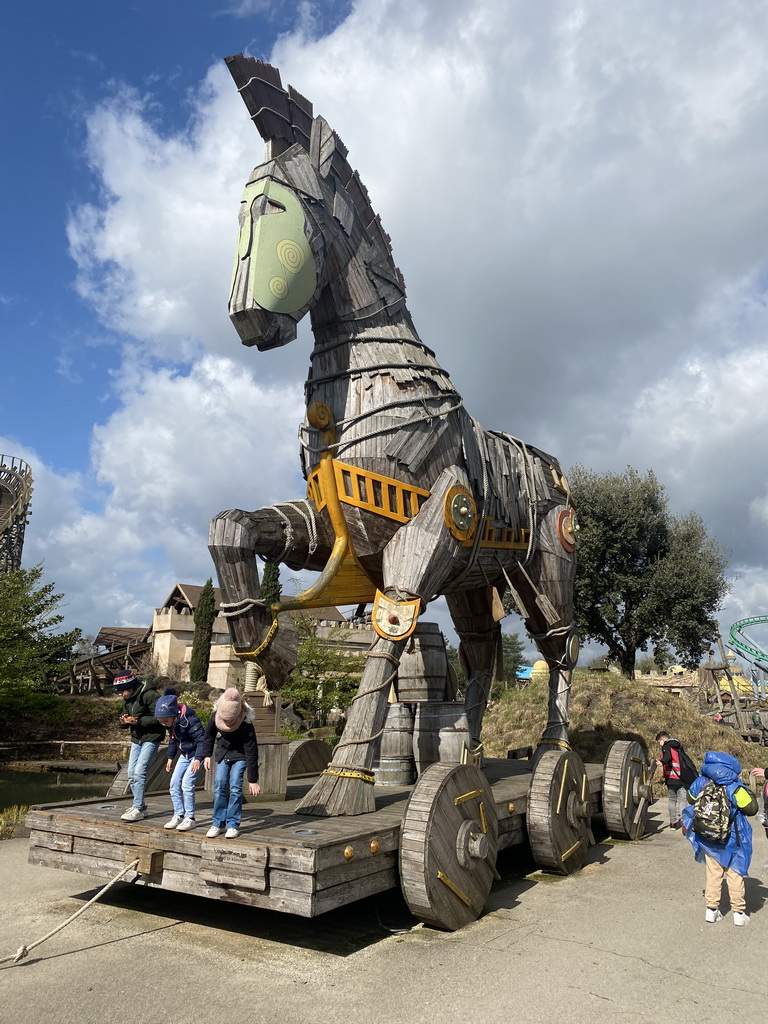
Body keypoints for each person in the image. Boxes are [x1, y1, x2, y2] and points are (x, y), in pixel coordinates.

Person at [682, 751, 758, 926]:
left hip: (709, 838)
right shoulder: (735, 787)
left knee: (713, 873)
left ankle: (711, 911)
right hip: (733, 838)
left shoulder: (700, 782)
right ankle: (739, 914)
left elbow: (690, 798)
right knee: (735, 874)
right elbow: (752, 809)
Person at [201, 687, 260, 839]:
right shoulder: (215, 716)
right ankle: (218, 823)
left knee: (235, 785)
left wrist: (253, 780)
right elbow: (208, 735)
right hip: (223, 753)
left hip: (240, 755)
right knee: (219, 783)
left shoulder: (246, 724)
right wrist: (206, 755)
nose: (228, 722)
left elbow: (251, 751)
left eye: (231, 720)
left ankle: (233, 824)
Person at [114, 670, 163, 822]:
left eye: (123, 691)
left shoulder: (150, 695)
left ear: (131, 687)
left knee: (139, 771)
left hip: (152, 737)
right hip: (137, 738)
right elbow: (124, 717)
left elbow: (160, 717)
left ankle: (138, 807)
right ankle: (139, 805)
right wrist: (123, 722)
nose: (121, 694)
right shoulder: (127, 700)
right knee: (130, 773)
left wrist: (138, 721)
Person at [154, 686, 205, 832]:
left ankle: (190, 818)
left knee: (187, 784)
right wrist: (170, 758)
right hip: (184, 755)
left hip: (196, 754)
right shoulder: (171, 723)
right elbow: (173, 740)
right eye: (161, 722)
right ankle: (178, 814)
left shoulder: (189, 720)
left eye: (165, 721)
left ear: (174, 715)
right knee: (174, 783)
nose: (163, 724)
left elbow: (202, 740)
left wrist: (198, 758)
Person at [654, 731, 697, 829]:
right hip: (681, 778)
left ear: (662, 740)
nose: (659, 745)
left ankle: (673, 823)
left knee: (672, 801)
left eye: (659, 742)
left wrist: (662, 762)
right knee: (682, 801)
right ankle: (684, 823)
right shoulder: (678, 747)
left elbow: (667, 757)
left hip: (671, 779)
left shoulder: (666, 746)